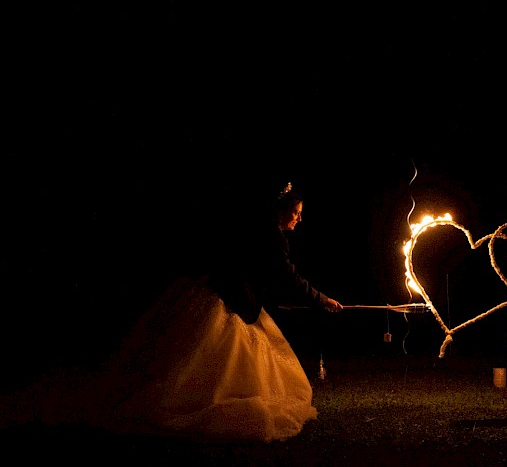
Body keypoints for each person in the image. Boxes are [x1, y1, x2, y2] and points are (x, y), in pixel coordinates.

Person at [4, 181, 343, 442]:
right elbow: (285, 277)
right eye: (296, 212)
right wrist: (321, 299)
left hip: (230, 293)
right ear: (280, 210)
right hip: (228, 298)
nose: (299, 218)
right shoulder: (270, 237)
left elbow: (268, 277)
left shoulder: (262, 232)